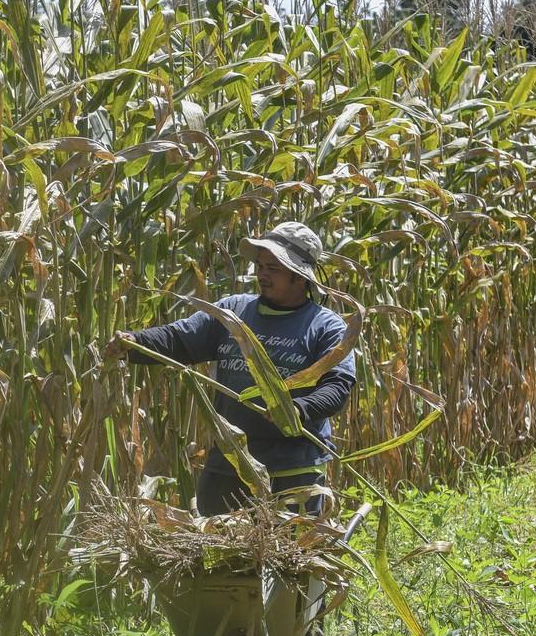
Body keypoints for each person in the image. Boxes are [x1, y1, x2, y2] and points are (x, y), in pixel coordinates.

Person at [106, 221, 357, 518]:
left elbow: (337, 385)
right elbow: (179, 340)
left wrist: (297, 409)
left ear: (300, 277)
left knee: (287, 556)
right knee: (212, 554)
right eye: (260, 266)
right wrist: (134, 343)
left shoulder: (325, 326)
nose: (262, 275)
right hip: (229, 462)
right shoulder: (233, 312)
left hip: (293, 471)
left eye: (273, 269)